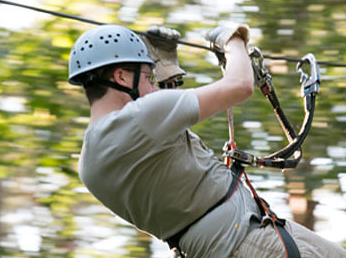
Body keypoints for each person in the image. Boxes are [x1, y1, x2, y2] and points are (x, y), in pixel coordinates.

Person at [68, 24, 346, 257]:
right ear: (121, 77)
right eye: (148, 76)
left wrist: (167, 78)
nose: (153, 85)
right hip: (246, 241)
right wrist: (232, 39)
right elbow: (239, 86)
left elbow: (161, 147)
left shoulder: (89, 163)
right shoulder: (139, 119)